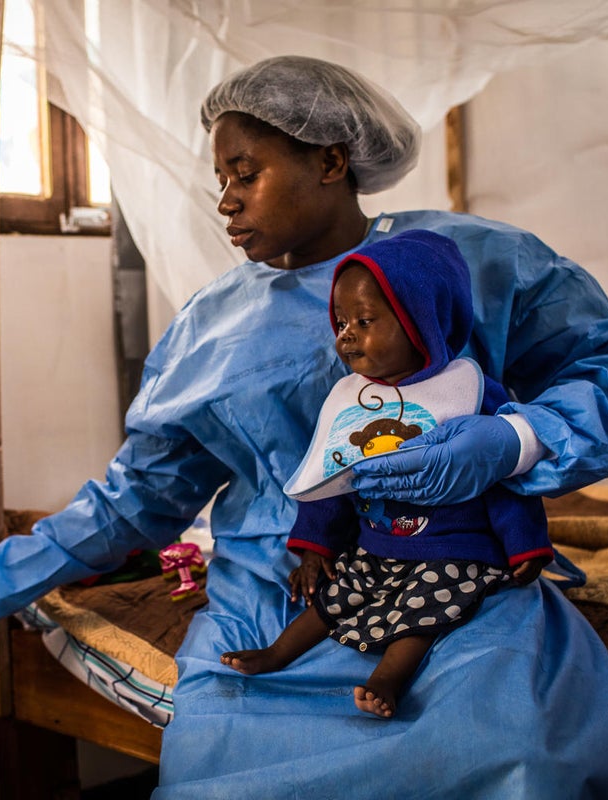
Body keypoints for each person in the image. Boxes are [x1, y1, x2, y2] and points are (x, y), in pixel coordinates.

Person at [0, 55, 608, 797]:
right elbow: (135, 500)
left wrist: (514, 440)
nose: (225, 199)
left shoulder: (465, 260)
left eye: (246, 173)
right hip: (274, 604)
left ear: (331, 162)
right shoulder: (208, 332)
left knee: (523, 751)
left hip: (453, 586)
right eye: (219, 179)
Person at [220, 230, 553, 719]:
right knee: (334, 594)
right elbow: (329, 482)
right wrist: (315, 550)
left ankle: (387, 680)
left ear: (421, 322)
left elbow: (507, 476)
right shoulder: (349, 401)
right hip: (376, 542)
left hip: (453, 548)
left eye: (364, 320)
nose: (345, 334)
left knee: (425, 609)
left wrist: (526, 544)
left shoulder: (472, 394)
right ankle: (277, 653)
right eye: (340, 322)